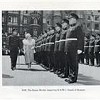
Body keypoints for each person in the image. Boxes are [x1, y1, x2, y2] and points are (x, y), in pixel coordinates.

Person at [64, 13, 84, 83]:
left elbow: (81, 38)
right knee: (70, 63)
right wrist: (66, 48)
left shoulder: (78, 27)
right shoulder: (69, 28)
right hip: (68, 48)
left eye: (71, 19)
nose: (69, 20)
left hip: (74, 48)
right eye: (69, 19)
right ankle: (70, 76)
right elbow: (67, 40)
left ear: (74, 20)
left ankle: (73, 78)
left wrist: (80, 48)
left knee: (74, 63)